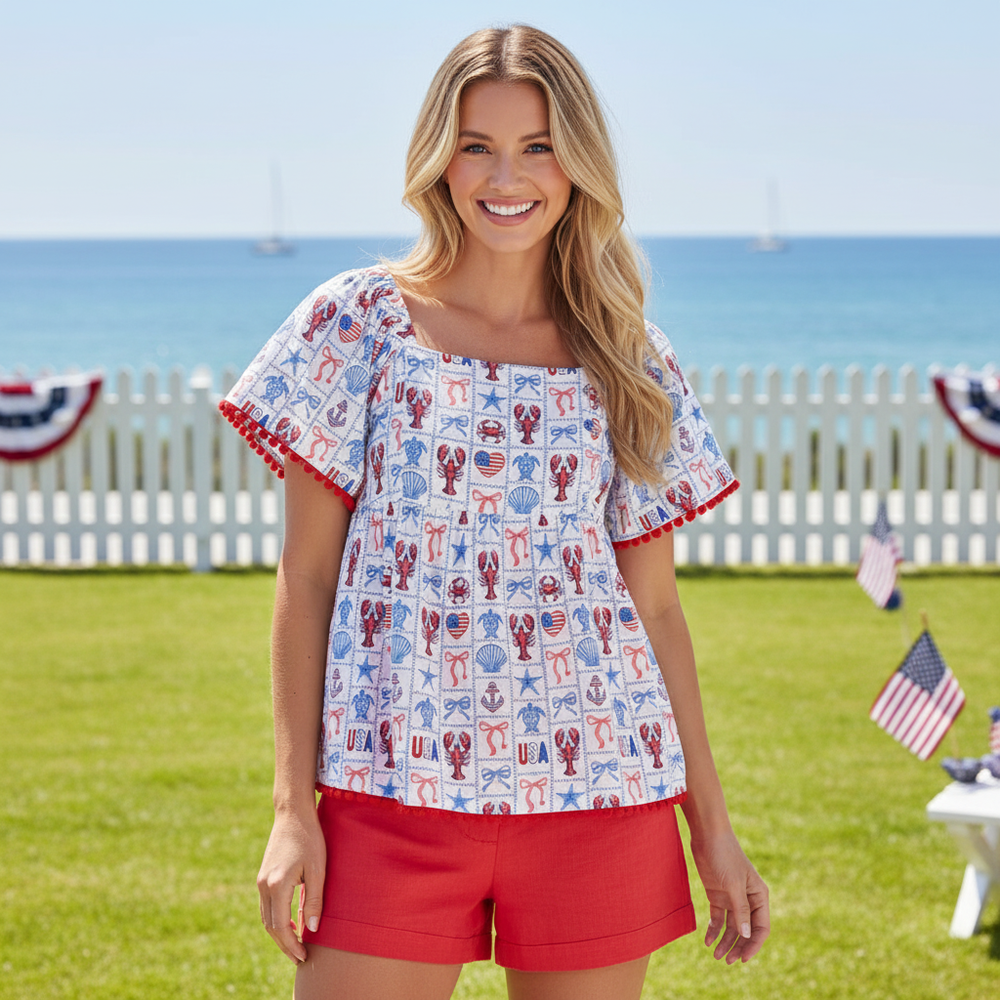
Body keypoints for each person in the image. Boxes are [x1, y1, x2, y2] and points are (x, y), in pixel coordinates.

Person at [221, 24, 768, 1000]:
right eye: (476, 144)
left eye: (537, 146)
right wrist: (291, 807)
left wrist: (711, 826)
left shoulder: (629, 357)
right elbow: (305, 577)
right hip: (390, 786)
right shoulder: (357, 324)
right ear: (439, 158)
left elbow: (659, 612)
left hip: (600, 790)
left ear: (578, 164)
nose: (504, 174)